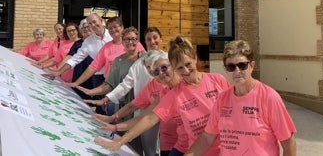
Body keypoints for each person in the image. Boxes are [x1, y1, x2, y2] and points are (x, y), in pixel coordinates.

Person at [94, 35, 230, 156]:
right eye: (180, 68)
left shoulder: (217, 80)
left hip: (226, 147)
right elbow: (148, 118)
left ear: (195, 58)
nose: (186, 71)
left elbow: (234, 110)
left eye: (188, 64)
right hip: (193, 148)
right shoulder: (173, 94)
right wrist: (119, 141)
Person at [185, 40, 297, 156]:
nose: (237, 71)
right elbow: (207, 137)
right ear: (225, 69)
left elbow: (288, 143)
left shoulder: (269, 97)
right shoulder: (223, 98)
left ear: (251, 66)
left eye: (242, 65)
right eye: (231, 67)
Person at [81, 27, 163, 156]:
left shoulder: (168, 59)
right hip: (142, 108)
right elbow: (125, 86)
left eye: (155, 38)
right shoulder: (139, 62)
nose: (152, 41)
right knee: (148, 146)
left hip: (164, 111)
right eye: (148, 39)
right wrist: (105, 100)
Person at [92, 50, 182, 156]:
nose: (159, 73)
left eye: (164, 68)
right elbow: (145, 117)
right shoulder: (162, 93)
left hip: (192, 142)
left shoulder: (187, 82)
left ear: (173, 65)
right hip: (172, 143)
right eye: (155, 71)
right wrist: (116, 129)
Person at [77, 27, 143, 113]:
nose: (130, 42)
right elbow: (109, 85)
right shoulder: (118, 61)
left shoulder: (146, 59)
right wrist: (92, 91)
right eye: (127, 39)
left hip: (142, 104)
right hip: (123, 105)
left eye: (133, 39)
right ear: (122, 42)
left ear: (137, 41)